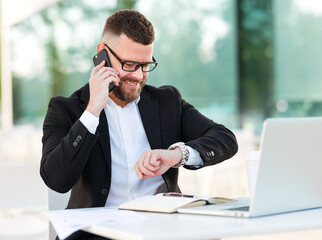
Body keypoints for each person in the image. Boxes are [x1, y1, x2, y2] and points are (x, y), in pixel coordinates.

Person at [40, 9, 238, 240]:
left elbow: (225, 138)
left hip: (164, 229)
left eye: (146, 65)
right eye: (130, 64)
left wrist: (178, 155)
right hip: (97, 234)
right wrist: (93, 110)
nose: (138, 76)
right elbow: (56, 180)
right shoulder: (66, 109)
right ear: (102, 54)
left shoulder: (167, 101)